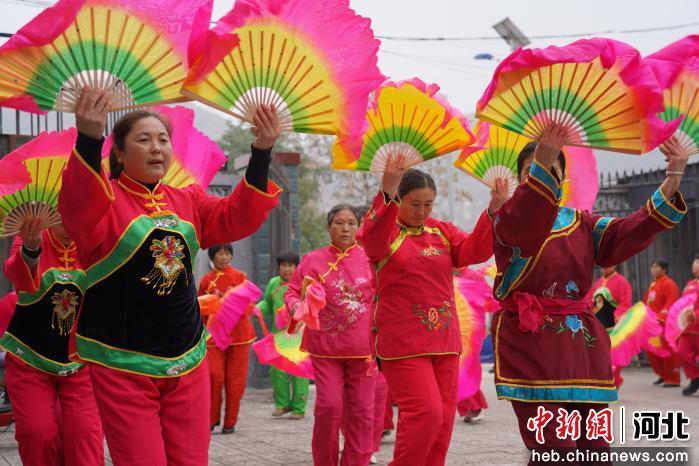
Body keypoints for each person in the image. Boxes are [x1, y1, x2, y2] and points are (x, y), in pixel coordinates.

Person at [57, 87, 281, 466]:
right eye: (143, 140)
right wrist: (89, 138)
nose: (156, 148)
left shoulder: (187, 199)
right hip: (122, 362)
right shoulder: (104, 201)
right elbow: (78, 209)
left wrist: (261, 151)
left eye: (163, 140)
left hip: (188, 355)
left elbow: (237, 216)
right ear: (119, 153)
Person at [490, 125, 689, 462]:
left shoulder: (582, 224)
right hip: (531, 345)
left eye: (553, 171)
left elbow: (631, 229)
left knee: (595, 449)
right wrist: (545, 158)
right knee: (556, 447)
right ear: (520, 180)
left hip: (581, 346)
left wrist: (673, 178)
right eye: (533, 172)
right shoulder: (506, 221)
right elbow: (526, 216)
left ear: (564, 180)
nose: (545, 177)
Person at [357, 157, 507, 466]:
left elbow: (473, 252)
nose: (422, 211)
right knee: (426, 412)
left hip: (444, 341)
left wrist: (494, 209)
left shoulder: (441, 231)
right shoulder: (386, 233)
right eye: (414, 204)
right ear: (399, 200)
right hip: (402, 343)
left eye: (428, 204)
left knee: (443, 423)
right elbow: (371, 240)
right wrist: (387, 188)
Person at [1, 219, 104, 466]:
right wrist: (31, 249)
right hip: (30, 361)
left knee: (85, 435)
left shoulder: (94, 242)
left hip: (80, 363)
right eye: (62, 218)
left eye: (75, 217)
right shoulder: (30, 235)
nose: (70, 226)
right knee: (37, 434)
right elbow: (18, 278)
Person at [285, 205, 375, 466]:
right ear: (328, 227)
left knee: (362, 412)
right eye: (339, 223)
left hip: (364, 349)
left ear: (359, 227)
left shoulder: (371, 258)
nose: (345, 228)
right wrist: (298, 306)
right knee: (329, 407)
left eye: (351, 223)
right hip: (326, 347)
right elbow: (292, 291)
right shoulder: (312, 259)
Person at [198, 244, 254, 434]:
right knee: (214, 376)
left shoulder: (240, 277)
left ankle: (230, 422)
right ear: (212, 257)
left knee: (235, 380)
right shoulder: (206, 280)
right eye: (220, 254)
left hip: (239, 336)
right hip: (214, 337)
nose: (224, 257)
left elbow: (248, 305)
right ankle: (211, 419)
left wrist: (229, 302)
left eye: (227, 253)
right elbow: (199, 309)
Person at [256, 250, 309, 418]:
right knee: (277, 371)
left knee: (299, 373)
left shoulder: (303, 284)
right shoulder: (273, 284)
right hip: (278, 336)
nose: (287, 269)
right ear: (279, 267)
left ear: (297, 267)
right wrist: (259, 309)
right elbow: (267, 303)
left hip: (299, 336)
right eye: (283, 265)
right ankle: (282, 404)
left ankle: (299, 408)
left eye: (290, 265)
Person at [588, 265, 633, 388]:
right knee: (599, 356)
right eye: (602, 265)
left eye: (608, 264)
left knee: (613, 357)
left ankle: (614, 383)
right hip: (599, 326)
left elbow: (625, 303)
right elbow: (590, 302)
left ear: (615, 264)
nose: (604, 267)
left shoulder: (622, 282)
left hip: (614, 326)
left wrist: (619, 317)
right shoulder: (597, 283)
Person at [643, 258, 681, 387]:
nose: (653, 269)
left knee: (667, 350)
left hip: (664, 324)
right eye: (652, 267)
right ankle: (663, 374)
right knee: (653, 351)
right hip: (651, 324)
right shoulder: (653, 285)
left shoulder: (669, 284)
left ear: (664, 269)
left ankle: (673, 378)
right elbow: (647, 303)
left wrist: (659, 318)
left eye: (656, 267)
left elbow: (670, 303)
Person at [678, 254, 699, 396]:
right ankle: (695, 378)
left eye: (698, 262)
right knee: (682, 352)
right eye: (694, 262)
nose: (694, 264)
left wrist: (696, 315)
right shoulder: (690, 283)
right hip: (688, 328)